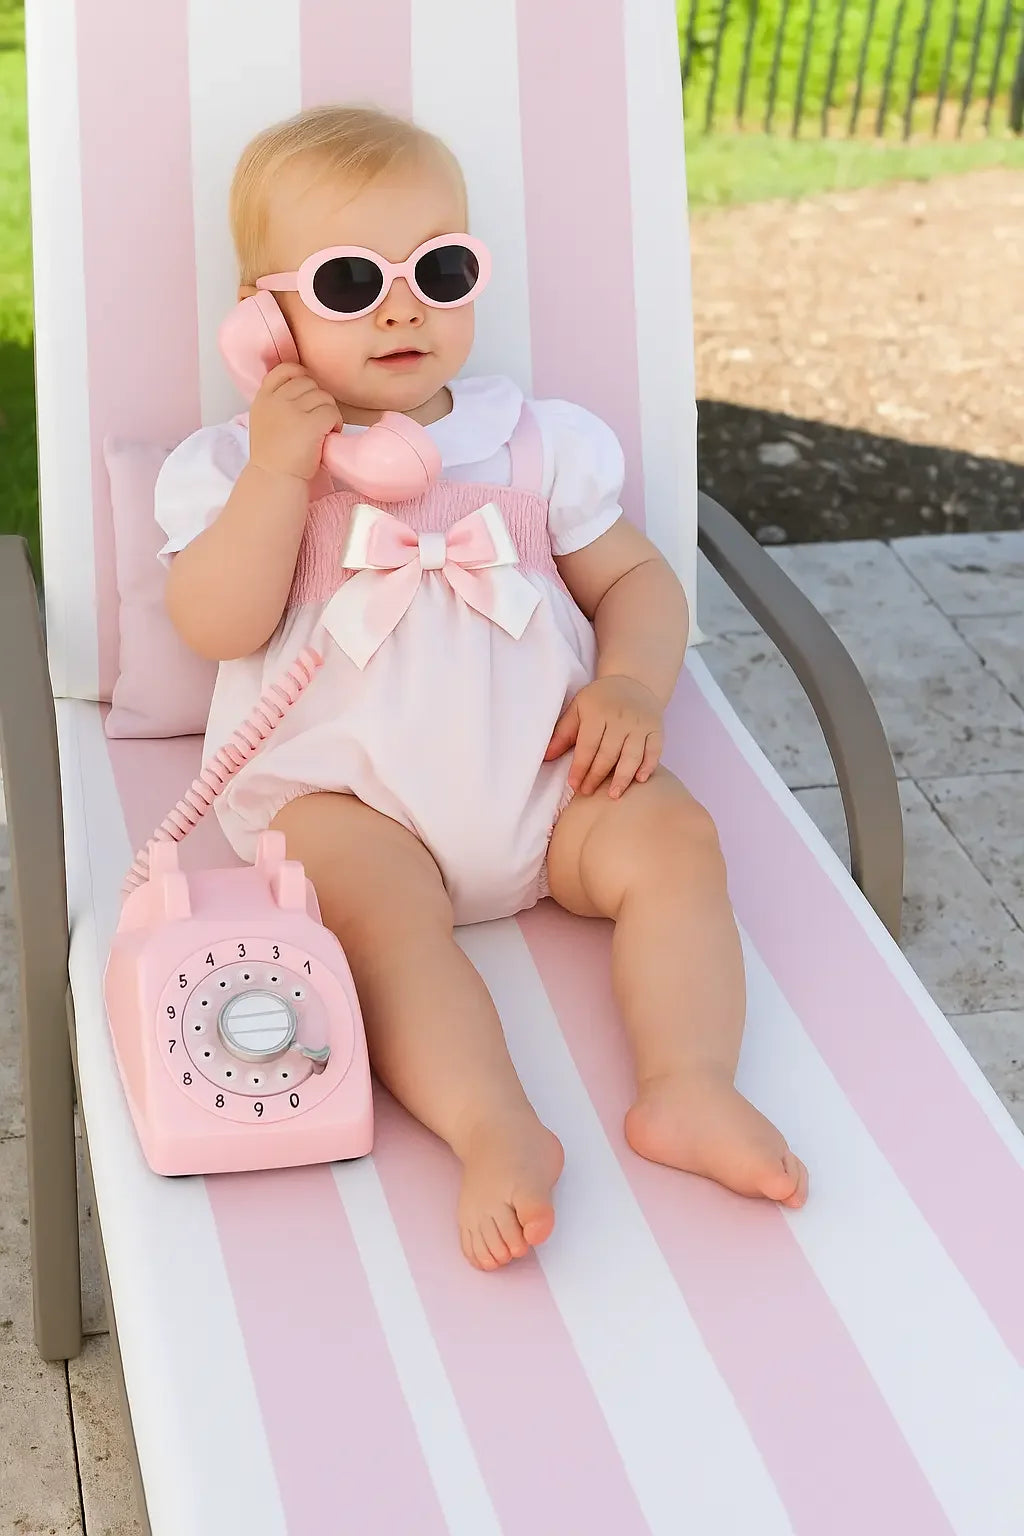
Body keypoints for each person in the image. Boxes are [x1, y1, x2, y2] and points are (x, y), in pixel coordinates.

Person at [157, 104, 807, 1272]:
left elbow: (642, 583)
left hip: (549, 779)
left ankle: (687, 1084)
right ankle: (494, 1127)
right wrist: (278, 473)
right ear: (266, 319)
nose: (404, 306)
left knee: (670, 841)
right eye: (350, 282)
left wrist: (632, 689)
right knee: (380, 933)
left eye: (439, 269)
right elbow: (216, 622)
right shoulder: (231, 471)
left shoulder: (531, 443)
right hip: (357, 805)